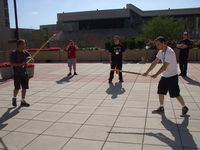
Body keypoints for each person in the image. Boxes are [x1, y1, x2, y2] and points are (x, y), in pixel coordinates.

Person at [143, 36, 189, 116]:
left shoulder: (170, 52)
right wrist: (147, 72)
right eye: (156, 44)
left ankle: (184, 107)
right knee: (160, 91)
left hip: (172, 76)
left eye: (158, 44)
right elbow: (155, 62)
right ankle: (161, 107)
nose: (157, 46)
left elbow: (164, 66)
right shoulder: (161, 51)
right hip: (165, 76)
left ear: (164, 43)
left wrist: (156, 75)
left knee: (176, 94)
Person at [10, 39, 33, 107]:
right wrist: (21, 64)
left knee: (24, 88)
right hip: (17, 74)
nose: (24, 45)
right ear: (18, 45)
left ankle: (23, 101)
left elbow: (30, 58)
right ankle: (14, 98)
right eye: (23, 44)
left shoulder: (25, 52)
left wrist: (30, 58)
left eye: (24, 44)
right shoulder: (14, 53)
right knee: (17, 88)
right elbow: (12, 64)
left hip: (24, 73)